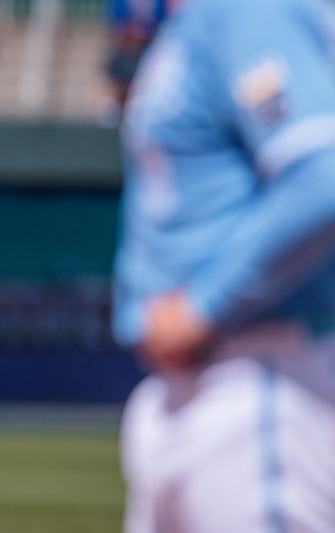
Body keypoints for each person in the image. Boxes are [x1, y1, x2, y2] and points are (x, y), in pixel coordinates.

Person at [112, 0, 335, 530]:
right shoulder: (194, 23)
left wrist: (205, 305)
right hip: (192, 384)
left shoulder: (251, 11)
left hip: (262, 377)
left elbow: (321, 176)